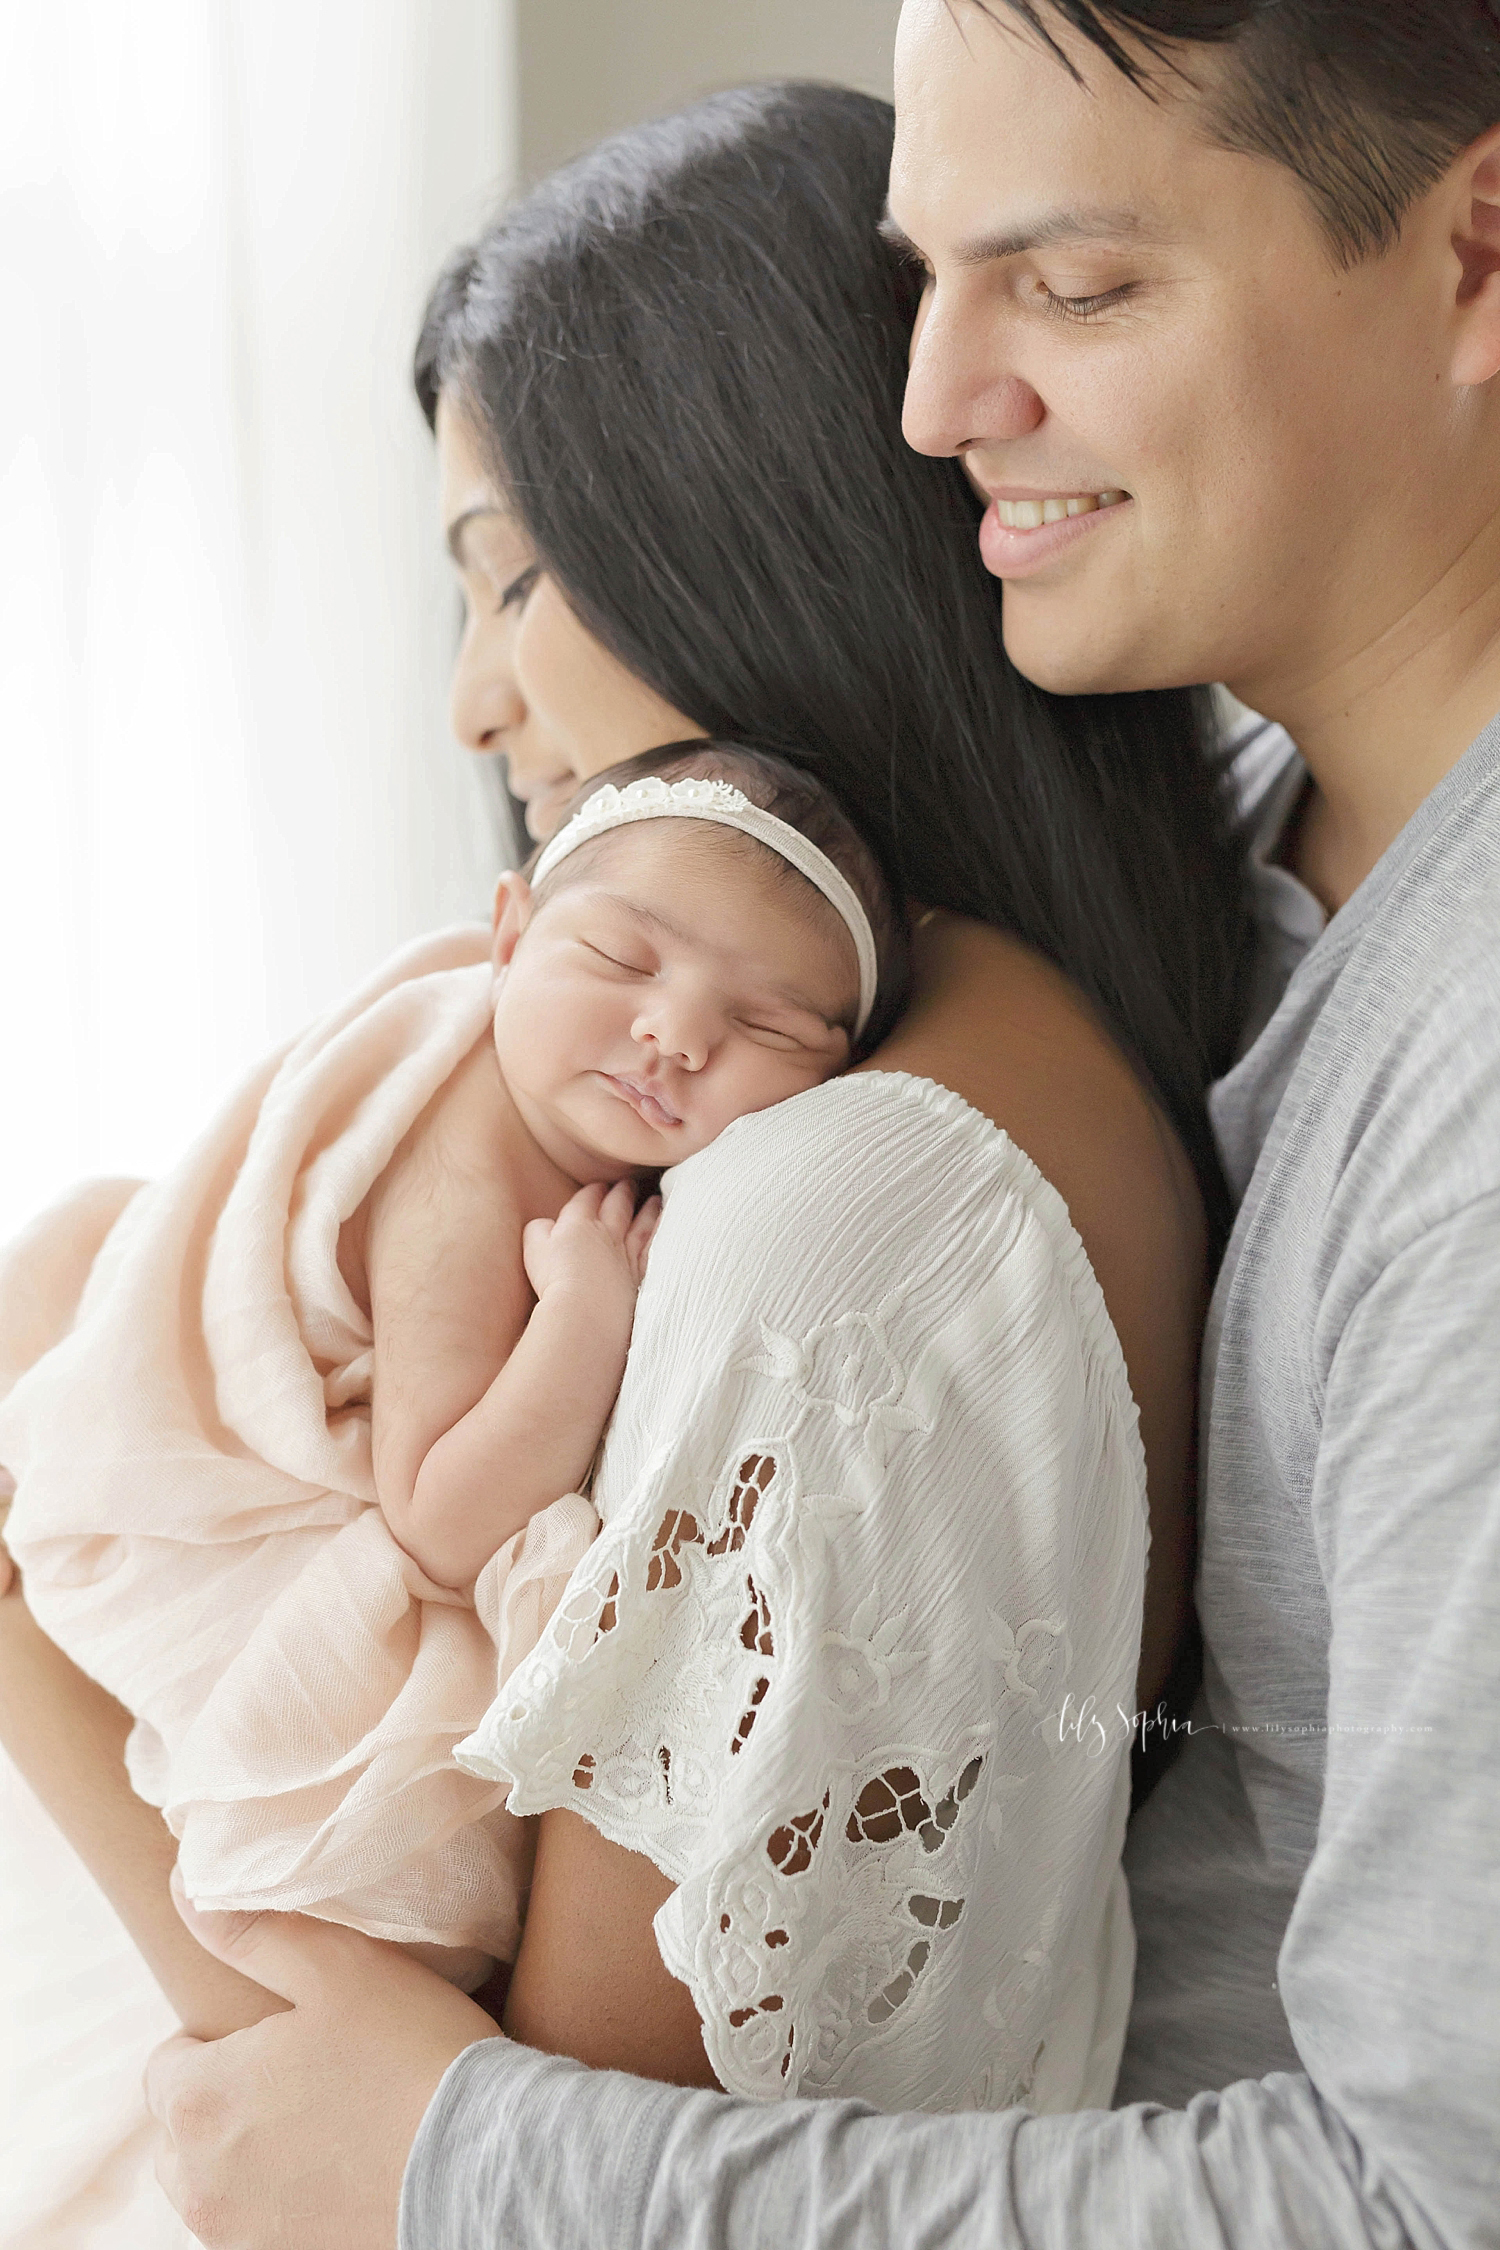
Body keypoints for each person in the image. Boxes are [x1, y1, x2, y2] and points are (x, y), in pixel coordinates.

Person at [135, 6, 1497, 2245]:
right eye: (920, 279)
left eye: (1070, 286)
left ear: (1474, 251)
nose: (931, 411)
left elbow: (1438, 2196)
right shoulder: (1223, 852)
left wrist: (451, 2161)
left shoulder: (1418, 1092)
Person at [0, 742, 909, 1995]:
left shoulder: (565, 1084)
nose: (675, 1032)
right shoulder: (469, 1178)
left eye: (767, 1025)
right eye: (621, 959)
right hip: (217, 1495)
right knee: (401, 1849)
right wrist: (583, 1324)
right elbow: (434, 1520)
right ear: (509, 927)